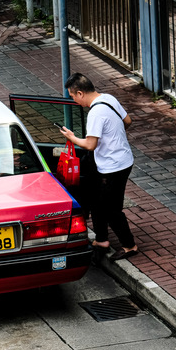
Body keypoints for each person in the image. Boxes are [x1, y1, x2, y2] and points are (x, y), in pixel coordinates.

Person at [59, 73, 139, 261]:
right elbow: (128, 121)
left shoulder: (95, 113)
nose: (74, 100)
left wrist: (71, 138)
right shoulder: (109, 98)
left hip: (112, 167)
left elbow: (90, 145)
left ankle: (129, 246)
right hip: (124, 159)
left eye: (73, 97)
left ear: (80, 93)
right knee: (96, 200)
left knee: (111, 208)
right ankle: (102, 240)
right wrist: (113, 138)